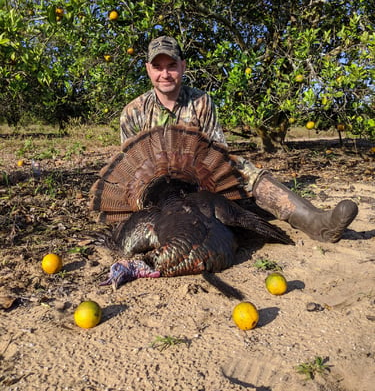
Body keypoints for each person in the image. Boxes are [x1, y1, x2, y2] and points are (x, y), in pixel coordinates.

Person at [120, 35, 358, 243]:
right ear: (148, 69)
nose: (165, 74)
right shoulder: (133, 111)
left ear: (183, 66)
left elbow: (217, 152)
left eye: (171, 65)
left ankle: (318, 224)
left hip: (199, 181)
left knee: (243, 168)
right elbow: (132, 171)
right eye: (158, 67)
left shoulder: (201, 101)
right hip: (158, 195)